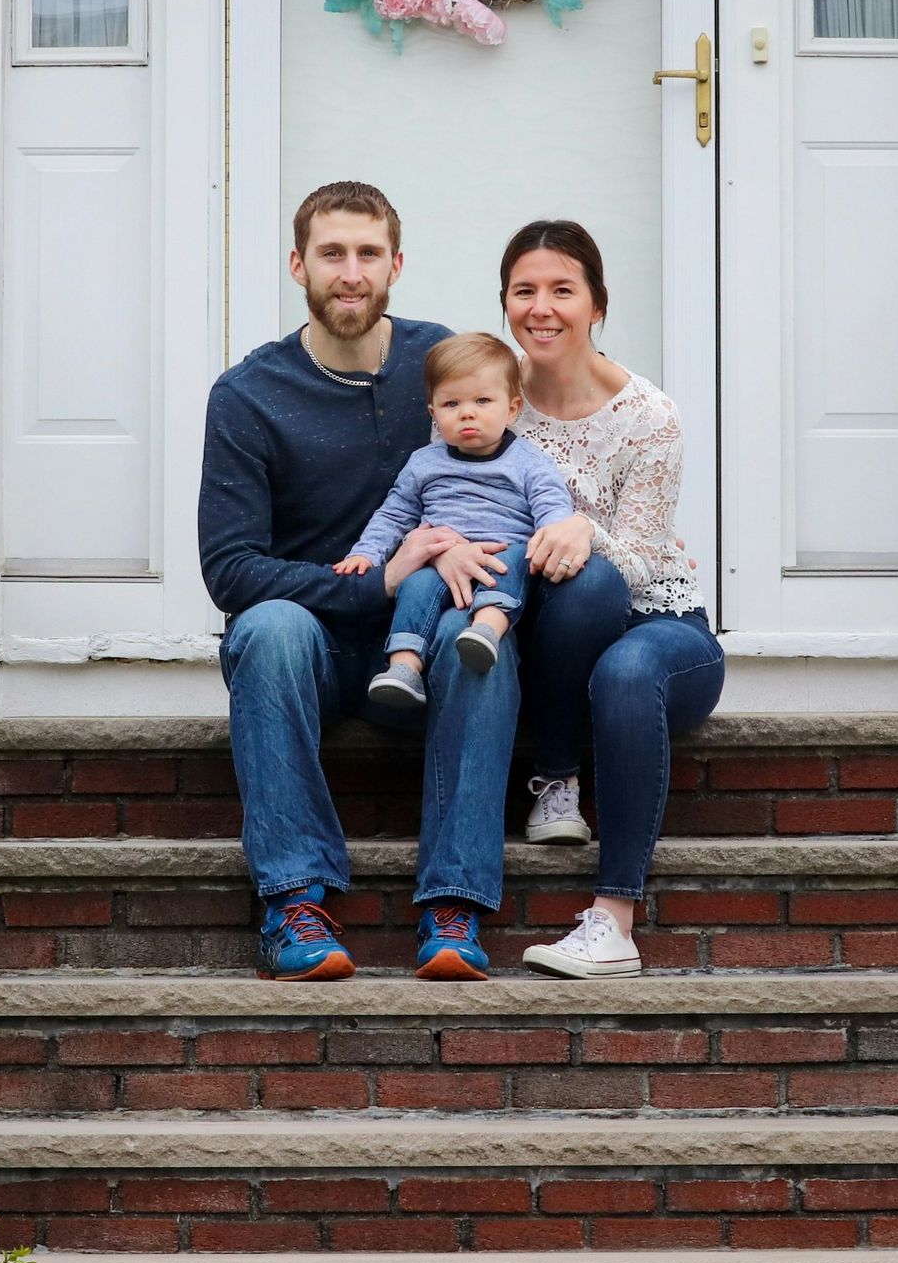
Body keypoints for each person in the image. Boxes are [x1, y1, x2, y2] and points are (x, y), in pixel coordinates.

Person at [199, 182, 623, 983]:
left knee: (479, 643)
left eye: (367, 254)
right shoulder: (249, 395)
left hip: (440, 626)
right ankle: (295, 900)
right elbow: (230, 569)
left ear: (396, 264)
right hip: (318, 645)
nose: (350, 272)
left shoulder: (443, 363)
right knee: (265, 628)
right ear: (298, 265)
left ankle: (453, 909)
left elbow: (543, 427)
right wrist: (383, 577)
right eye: (332, 253)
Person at [498, 220, 727, 977]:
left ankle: (614, 922)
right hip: (548, 634)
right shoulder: (494, 405)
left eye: (562, 290)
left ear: (597, 305)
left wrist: (578, 531)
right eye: (524, 291)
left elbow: (633, 565)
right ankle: (555, 781)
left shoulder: (649, 417)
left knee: (621, 661)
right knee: (576, 583)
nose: (542, 308)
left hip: (663, 628)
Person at [334, 332, 578, 707]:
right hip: (439, 558)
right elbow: (394, 513)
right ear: (433, 413)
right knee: (415, 588)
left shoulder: (529, 461)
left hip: (502, 549)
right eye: (451, 403)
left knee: (512, 560)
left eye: (483, 400)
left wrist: (555, 535)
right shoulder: (425, 463)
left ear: (512, 409)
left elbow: (551, 507)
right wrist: (366, 553)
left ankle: (486, 631)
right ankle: (404, 668)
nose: (467, 412)